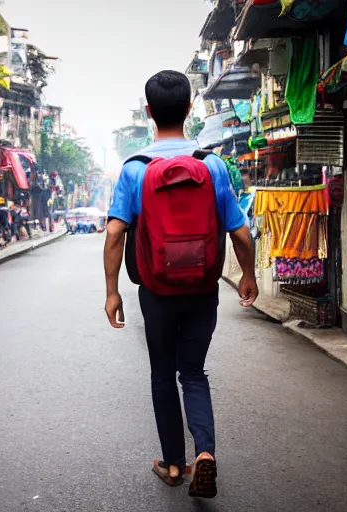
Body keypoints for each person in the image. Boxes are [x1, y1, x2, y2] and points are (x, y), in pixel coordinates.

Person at [104, 70, 258, 499]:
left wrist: (112, 291)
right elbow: (239, 232)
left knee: (161, 374)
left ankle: (174, 464)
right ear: (190, 109)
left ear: (149, 112)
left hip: (156, 291)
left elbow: (115, 234)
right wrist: (247, 274)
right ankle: (204, 453)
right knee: (192, 371)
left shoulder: (135, 170)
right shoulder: (212, 165)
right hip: (202, 289)